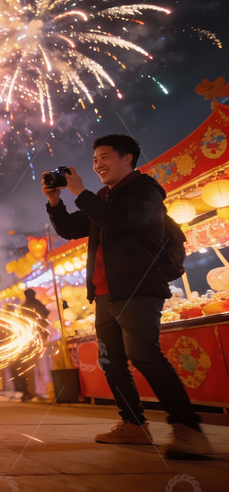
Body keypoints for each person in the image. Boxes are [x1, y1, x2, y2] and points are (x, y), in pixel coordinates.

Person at [43, 134, 212, 458]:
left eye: (105, 157)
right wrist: (55, 201)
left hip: (138, 288)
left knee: (143, 354)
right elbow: (70, 229)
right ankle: (133, 425)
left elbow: (123, 221)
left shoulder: (145, 190)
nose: (98, 165)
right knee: (111, 361)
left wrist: (80, 193)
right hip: (105, 294)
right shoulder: (103, 197)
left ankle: (188, 429)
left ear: (127, 158)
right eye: (95, 160)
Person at [14, 288, 50, 401]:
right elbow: (46, 314)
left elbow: (19, 321)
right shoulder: (37, 304)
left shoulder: (23, 307)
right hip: (38, 339)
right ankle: (39, 390)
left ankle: (29, 390)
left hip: (28, 340)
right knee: (39, 366)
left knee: (28, 367)